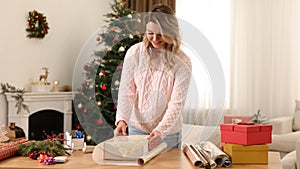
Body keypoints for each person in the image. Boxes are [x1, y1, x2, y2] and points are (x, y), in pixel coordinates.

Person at [114, 4, 192, 150]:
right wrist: (122, 120)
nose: (155, 38)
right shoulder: (134, 53)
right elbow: (126, 92)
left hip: (168, 134)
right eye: (150, 33)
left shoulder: (182, 61)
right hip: (137, 128)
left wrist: (160, 131)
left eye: (161, 34)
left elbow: (176, 103)